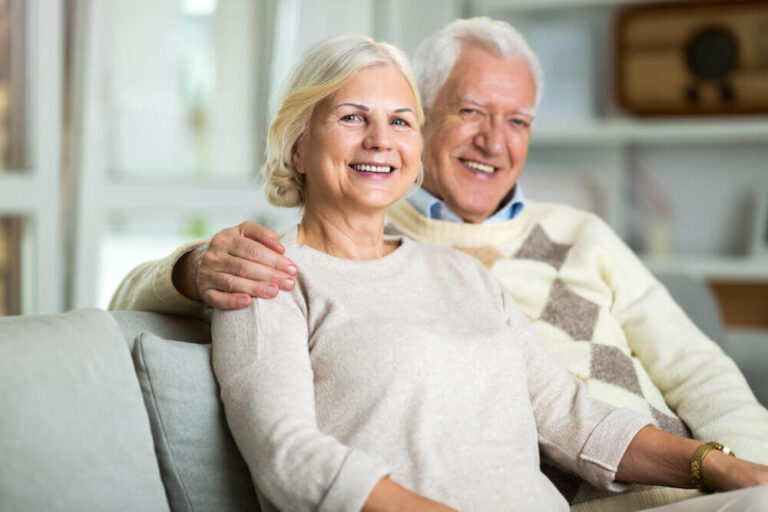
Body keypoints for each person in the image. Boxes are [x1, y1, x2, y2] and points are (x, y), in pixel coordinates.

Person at [110, 17, 768, 509]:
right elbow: (288, 457)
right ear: (297, 146)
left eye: (399, 121)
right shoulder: (268, 274)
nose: (380, 139)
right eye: (352, 117)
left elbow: (574, 418)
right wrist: (193, 265)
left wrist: (719, 465)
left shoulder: (462, 274)